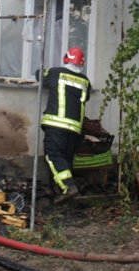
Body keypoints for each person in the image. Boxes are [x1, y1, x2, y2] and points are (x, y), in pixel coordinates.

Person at [38, 47, 91, 204]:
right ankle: (60, 195)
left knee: (53, 154)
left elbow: (39, 76)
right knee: (65, 160)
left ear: (66, 58)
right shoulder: (85, 81)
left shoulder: (55, 73)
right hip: (74, 129)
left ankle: (68, 187)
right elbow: (86, 97)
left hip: (56, 125)